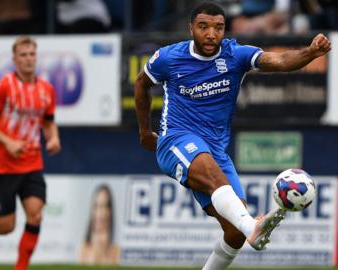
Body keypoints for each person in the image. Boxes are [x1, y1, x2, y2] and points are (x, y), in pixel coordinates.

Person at [134, 2, 331, 269]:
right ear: (191, 28)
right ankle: (254, 226)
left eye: (218, 27)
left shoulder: (235, 55)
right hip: (176, 140)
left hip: (215, 149)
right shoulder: (169, 57)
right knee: (238, 213)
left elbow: (280, 61)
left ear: (224, 30)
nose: (211, 34)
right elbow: (141, 83)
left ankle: (246, 229)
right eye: (203, 27)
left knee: (234, 232)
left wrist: (310, 52)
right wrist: (145, 132)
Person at [0, 36, 61, 270]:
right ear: (15, 59)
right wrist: (7, 142)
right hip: (5, 166)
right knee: (5, 228)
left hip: (33, 163)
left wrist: (54, 138)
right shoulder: (4, 86)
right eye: (23, 55)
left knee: (35, 216)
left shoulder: (47, 89)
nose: (28, 59)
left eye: (32, 54)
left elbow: (48, 122)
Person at [80, 184, 120, 265]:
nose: (100, 213)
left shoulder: (117, 251)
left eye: (105, 206)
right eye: (96, 206)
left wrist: (104, 251)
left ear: (110, 211)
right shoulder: (83, 249)